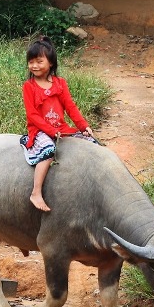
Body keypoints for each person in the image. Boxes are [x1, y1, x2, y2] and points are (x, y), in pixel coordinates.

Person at [20, 36, 96, 212]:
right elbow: (32, 115)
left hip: (61, 129)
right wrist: (50, 131)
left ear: (51, 63)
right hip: (39, 130)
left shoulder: (60, 83)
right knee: (48, 150)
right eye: (31, 62)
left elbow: (70, 107)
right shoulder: (29, 86)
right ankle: (36, 192)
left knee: (90, 144)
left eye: (39, 61)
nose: (34, 66)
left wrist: (84, 126)